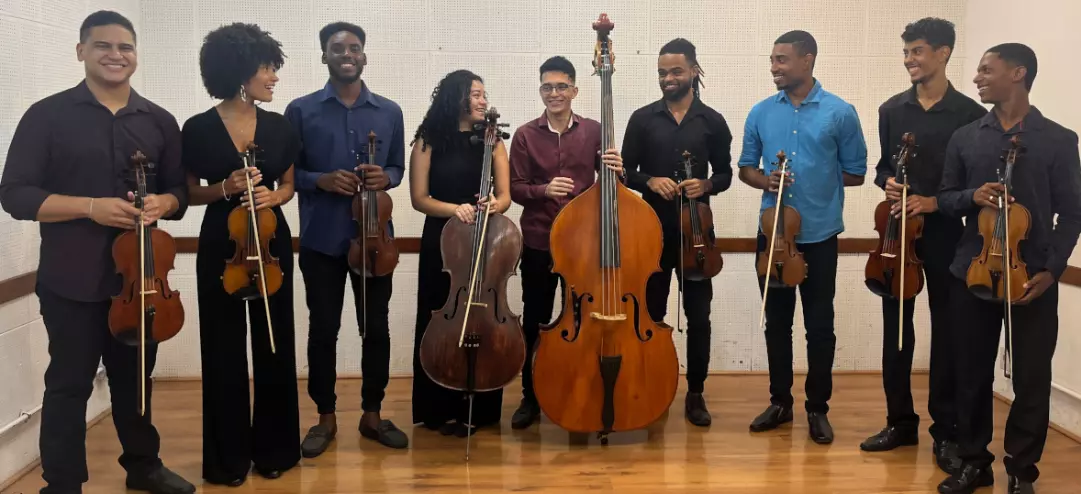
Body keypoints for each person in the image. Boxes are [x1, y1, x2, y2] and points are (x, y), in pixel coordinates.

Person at [0, 11, 194, 494]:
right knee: (68, 385)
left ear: (135, 54)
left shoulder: (159, 121)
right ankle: (62, 484)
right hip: (72, 280)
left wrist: (163, 203)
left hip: (144, 282)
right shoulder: (46, 116)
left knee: (136, 384)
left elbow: (180, 194)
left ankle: (144, 468)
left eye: (125, 47)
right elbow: (16, 195)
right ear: (81, 50)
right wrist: (89, 208)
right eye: (103, 45)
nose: (115, 54)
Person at [936, 43, 1081, 494]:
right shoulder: (965, 137)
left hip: (1033, 276)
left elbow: (1073, 214)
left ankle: (1022, 472)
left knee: (1032, 379)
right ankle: (974, 462)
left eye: (986, 70)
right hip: (973, 274)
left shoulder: (1058, 139)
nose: (977, 77)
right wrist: (969, 198)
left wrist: (1053, 269)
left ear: (1018, 73)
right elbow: (944, 198)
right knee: (971, 376)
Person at [861, 18, 986, 473]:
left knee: (948, 336)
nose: (910, 60)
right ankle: (899, 421)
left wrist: (934, 203)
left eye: (917, 51)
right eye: (907, 52)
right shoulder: (892, 110)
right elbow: (879, 168)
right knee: (897, 332)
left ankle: (945, 431)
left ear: (943, 53)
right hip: (898, 237)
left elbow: (974, 187)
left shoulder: (971, 115)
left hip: (949, 236)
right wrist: (889, 182)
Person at [181, 23, 301, 486]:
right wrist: (222, 188)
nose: (273, 77)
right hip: (222, 244)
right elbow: (189, 193)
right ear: (239, 71)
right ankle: (227, 460)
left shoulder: (279, 126)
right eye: (266, 68)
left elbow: (287, 184)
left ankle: (276, 451)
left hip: (270, 240)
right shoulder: (196, 128)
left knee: (275, 345)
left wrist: (276, 197)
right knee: (222, 347)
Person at [285, 22, 409, 455]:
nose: (347, 54)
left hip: (376, 240)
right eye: (337, 48)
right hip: (322, 239)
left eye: (355, 47)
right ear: (324, 56)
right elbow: (288, 175)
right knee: (324, 330)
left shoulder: (389, 111)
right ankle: (325, 417)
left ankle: (372, 414)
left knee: (376, 328)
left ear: (364, 55)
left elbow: (397, 167)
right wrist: (319, 179)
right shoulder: (300, 110)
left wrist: (386, 176)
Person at [738, 30, 867, 444]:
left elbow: (856, 172)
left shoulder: (840, 112)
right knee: (776, 323)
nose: (774, 67)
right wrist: (766, 179)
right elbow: (745, 169)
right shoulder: (760, 112)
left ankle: (817, 408)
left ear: (807, 60)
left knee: (819, 325)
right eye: (772, 59)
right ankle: (780, 401)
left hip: (819, 234)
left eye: (782, 60)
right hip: (773, 234)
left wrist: (818, 182)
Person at [506, 56, 625, 428]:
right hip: (540, 242)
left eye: (561, 86)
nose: (554, 93)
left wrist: (617, 172)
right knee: (536, 319)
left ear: (574, 89)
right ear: (540, 91)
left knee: (580, 319)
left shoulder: (594, 129)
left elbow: (611, 188)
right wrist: (543, 189)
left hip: (583, 245)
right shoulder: (525, 135)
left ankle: (578, 387)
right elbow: (515, 189)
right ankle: (531, 396)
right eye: (547, 87)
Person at [623, 38, 732, 427]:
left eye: (675, 71)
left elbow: (725, 174)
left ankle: (696, 392)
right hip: (650, 235)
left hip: (696, 237)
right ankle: (650, 384)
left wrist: (706, 185)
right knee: (650, 315)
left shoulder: (713, 122)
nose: (668, 78)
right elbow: (625, 171)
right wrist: (650, 181)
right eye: (662, 73)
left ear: (694, 71)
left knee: (698, 318)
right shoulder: (642, 118)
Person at [408, 69, 512, 437]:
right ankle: (437, 406)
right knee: (441, 318)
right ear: (457, 97)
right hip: (442, 241)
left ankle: (479, 404)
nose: (484, 100)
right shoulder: (428, 140)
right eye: (477, 94)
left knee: (482, 320)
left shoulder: (493, 140)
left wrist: (492, 205)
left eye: (485, 94)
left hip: (484, 238)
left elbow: (505, 196)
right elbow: (419, 199)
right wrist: (455, 209)